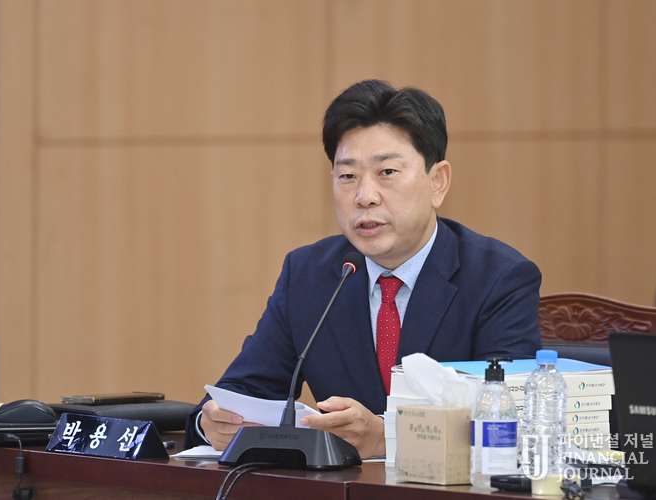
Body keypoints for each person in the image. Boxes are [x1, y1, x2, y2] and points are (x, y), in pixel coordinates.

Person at [184, 79, 542, 458]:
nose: (364, 196)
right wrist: (212, 423)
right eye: (348, 176)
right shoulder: (308, 274)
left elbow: (514, 421)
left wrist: (389, 438)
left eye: (387, 172)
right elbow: (242, 390)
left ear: (437, 182)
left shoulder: (499, 278)